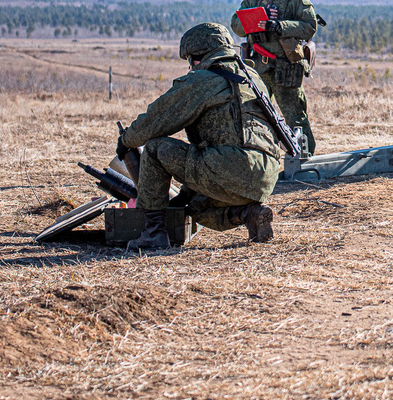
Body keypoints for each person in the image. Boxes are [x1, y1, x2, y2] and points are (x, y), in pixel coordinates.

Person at [117, 23, 283, 250]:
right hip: (266, 175)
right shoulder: (251, 77)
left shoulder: (205, 79)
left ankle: (153, 234)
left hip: (233, 165)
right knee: (194, 205)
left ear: (196, 56)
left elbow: (155, 121)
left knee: (155, 148)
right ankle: (249, 213)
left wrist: (126, 140)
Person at [230, 0, 318, 155]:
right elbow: (236, 25)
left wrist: (279, 26)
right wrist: (256, 17)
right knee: (254, 115)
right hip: (258, 67)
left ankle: (305, 159)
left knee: (294, 115)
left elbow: (309, 26)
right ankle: (260, 157)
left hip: (286, 65)